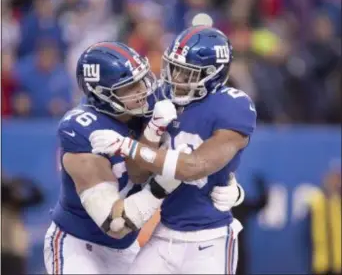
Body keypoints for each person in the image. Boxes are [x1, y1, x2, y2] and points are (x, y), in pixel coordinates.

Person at [44, 40, 241, 274]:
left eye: (141, 79)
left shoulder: (154, 103)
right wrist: (161, 187)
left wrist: (230, 186)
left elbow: (200, 148)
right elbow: (114, 223)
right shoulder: (82, 129)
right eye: (128, 87)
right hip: (78, 243)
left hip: (126, 249)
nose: (142, 91)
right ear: (101, 94)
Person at [90, 25, 257, 274]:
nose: (175, 77)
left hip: (209, 239)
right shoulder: (161, 96)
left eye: (186, 72)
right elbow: (138, 174)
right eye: (174, 67)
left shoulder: (233, 105)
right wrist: (152, 130)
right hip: (165, 231)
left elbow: (193, 167)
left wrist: (128, 146)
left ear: (212, 74)